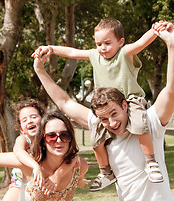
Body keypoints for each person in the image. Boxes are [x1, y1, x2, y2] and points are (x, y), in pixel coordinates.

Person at [33, 21, 174, 201]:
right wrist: (40, 70)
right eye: (104, 118)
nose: (111, 123)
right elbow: (64, 103)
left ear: (125, 105)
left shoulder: (148, 122)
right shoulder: (101, 125)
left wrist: (172, 45)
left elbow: (173, 88)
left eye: (114, 114)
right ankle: (105, 173)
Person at [32, 18, 166, 191]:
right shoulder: (95, 55)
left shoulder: (125, 53)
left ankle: (150, 161)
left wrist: (156, 29)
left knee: (140, 124)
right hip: (103, 106)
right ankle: (106, 172)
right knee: (95, 139)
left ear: (120, 42)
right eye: (98, 44)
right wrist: (50, 49)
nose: (102, 48)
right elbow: (72, 52)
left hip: (130, 100)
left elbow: (141, 43)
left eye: (107, 43)